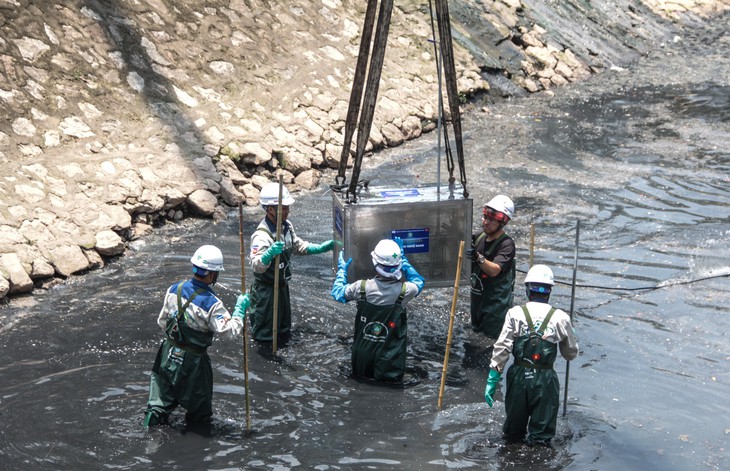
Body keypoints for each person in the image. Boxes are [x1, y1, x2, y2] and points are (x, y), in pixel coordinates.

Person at [143, 245, 250, 428]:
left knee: (158, 403)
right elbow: (229, 332)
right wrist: (239, 311)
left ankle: (148, 431)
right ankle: (197, 446)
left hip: (167, 353)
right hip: (193, 362)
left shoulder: (173, 289)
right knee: (199, 412)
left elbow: (162, 322)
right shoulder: (213, 304)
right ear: (212, 275)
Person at [484, 264, 579, 446]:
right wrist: (571, 335)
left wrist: (493, 378)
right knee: (542, 437)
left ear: (528, 289)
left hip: (518, 377)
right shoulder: (561, 317)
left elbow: (502, 347)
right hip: (545, 381)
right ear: (549, 291)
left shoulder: (515, 313)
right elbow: (570, 355)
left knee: (513, 433)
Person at [249, 182, 335, 343]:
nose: (288, 211)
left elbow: (298, 246)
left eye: (287, 207)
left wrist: (321, 248)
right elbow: (256, 265)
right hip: (267, 291)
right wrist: (268, 254)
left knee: (283, 329)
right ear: (270, 209)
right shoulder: (262, 236)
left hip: (282, 287)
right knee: (265, 334)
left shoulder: (286, 227)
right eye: (284, 208)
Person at [331, 238, 424, 382]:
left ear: (375, 263)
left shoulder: (360, 287)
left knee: (359, 388)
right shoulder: (406, 291)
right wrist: (403, 260)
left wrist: (342, 270)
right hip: (390, 358)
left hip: (362, 355)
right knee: (391, 393)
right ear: (398, 266)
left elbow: (337, 293)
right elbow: (419, 281)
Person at [467, 194, 516, 339]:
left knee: (488, 343)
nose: (486, 222)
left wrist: (477, 257)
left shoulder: (506, 244)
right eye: (485, 218)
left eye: (491, 220)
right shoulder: (479, 237)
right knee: (475, 337)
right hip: (477, 302)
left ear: (502, 222)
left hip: (495, 309)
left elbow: (494, 270)